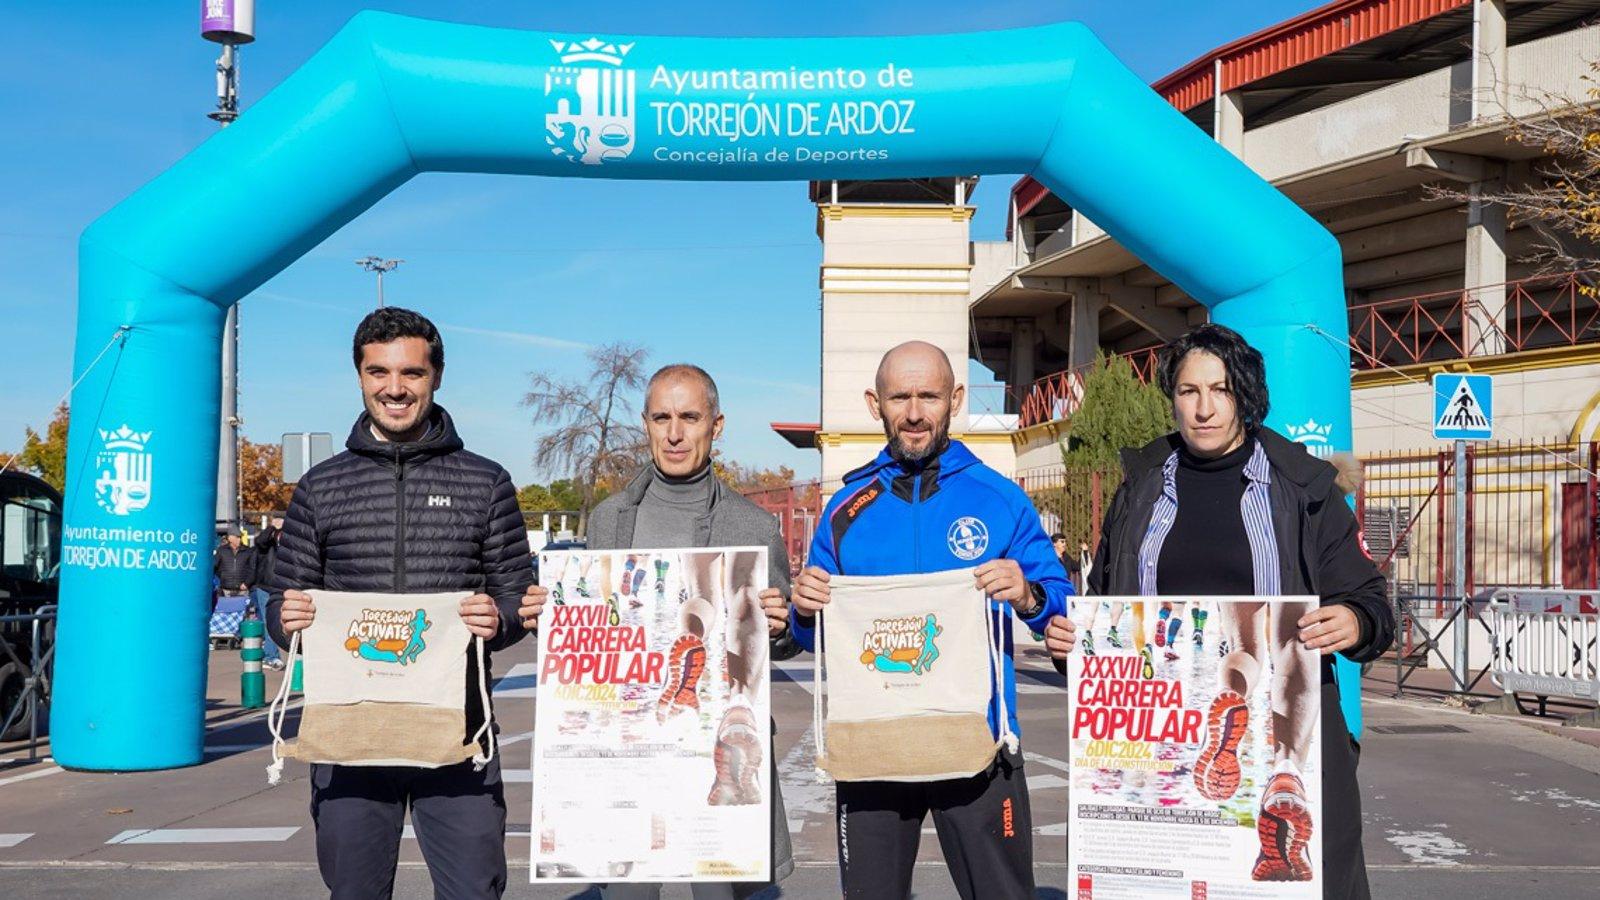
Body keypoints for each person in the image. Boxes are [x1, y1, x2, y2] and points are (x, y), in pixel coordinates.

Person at [1044, 323, 1395, 898]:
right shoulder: (1140, 492)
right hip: (1160, 723)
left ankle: (1279, 764)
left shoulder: (1304, 487)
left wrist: (1355, 621)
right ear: (1173, 398)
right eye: (1188, 391)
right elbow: (1105, 609)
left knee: (1303, 882)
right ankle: (1243, 737)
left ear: (1247, 396)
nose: (1204, 408)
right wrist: (1073, 644)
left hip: (1291, 707)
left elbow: (1371, 600)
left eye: (1221, 390)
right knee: (1166, 882)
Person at [266, 307, 535, 900]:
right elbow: (282, 600)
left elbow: (517, 593)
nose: (394, 388)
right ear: (359, 376)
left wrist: (501, 618)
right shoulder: (321, 485)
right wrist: (285, 622)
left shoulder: (485, 481)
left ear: (436, 376)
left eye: (411, 373)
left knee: (474, 891)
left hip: (457, 730)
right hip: (349, 730)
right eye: (378, 372)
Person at [789, 341, 1071, 900]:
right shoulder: (845, 510)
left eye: (929, 396)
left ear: (955, 400)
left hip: (979, 745)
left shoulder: (1001, 498)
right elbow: (810, 632)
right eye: (900, 396)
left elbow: (1058, 608)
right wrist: (803, 608)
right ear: (876, 404)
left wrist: (1029, 594)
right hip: (873, 748)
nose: (914, 412)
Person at [520, 363, 797, 899]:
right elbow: (596, 631)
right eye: (662, 417)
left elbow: (775, 643)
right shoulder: (608, 519)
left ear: (716, 426)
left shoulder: (753, 527)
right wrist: (550, 617)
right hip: (627, 751)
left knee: (716, 894)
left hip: (711, 748)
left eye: (689, 417)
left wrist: (782, 627)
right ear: (645, 424)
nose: (674, 433)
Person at [249, 517, 285, 670]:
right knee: (269, 620)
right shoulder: (267, 545)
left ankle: (271, 655)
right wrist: (272, 527)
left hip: (280, 586)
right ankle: (271, 656)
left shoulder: (287, 544)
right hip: (265, 586)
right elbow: (260, 541)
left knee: (277, 621)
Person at [213, 526, 256, 606]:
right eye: (237, 537)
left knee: (242, 614)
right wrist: (222, 578)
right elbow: (215, 566)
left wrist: (247, 583)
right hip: (226, 590)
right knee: (227, 613)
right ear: (230, 538)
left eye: (240, 537)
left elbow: (253, 569)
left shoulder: (248, 551)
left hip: (243, 590)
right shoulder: (221, 551)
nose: (239, 539)